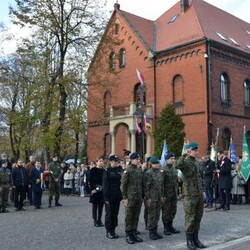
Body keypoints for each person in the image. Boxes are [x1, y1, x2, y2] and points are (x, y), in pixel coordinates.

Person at [175, 142, 206, 250]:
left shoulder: (197, 163)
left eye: (197, 150)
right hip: (189, 195)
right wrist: (184, 154)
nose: (197, 152)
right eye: (195, 150)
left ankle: (196, 239)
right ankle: (189, 241)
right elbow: (177, 165)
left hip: (199, 194)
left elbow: (200, 178)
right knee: (190, 218)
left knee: (198, 217)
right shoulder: (186, 162)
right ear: (190, 151)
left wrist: (203, 191)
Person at [120, 152, 143, 244]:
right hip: (130, 198)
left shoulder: (138, 170)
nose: (138, 161)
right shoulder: (127, 171)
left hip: (138, 197)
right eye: (136, 159)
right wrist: (125, 198)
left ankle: (134, 233)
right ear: (131, 160)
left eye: (138, 159)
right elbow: (123, 185)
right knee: (129, 216)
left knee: (136, 216)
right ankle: (128, 235)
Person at [144, 156, 164, 240]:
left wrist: (162, 196)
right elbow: (146, 187)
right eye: (156, 163)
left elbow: (161, 185)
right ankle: (151, 232)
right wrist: (148, 198)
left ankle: (155, 231)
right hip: (151, 197)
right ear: (152, 164)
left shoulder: (159, 172)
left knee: (157, 214)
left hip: (158, 197)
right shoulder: (148, 173)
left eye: (159, 162)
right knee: (152, 215)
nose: (159, 164)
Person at [103, 154, 123, 239]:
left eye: (117, 161)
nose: (116, 162)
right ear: (110, 161)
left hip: (117, 195)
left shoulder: (119, 170)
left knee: (115, 214)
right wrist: (106, 197)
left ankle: (113, 230)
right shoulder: (107, 171)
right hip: (110, 195)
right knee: (109, 214)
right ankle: (108, 231)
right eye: (115, 161)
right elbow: (105, 184)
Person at [161, 152, 180, 235]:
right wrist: (162, 195)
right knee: (166, 211)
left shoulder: (174, 169)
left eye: (174, 158)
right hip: (167, 194)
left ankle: (170, 225)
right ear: (167, 159)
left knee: (173, 210)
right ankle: (166, 227)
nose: (173, 160)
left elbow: (176, 182)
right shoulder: (164, 170)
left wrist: (178, 192)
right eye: (171, 159)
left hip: (174, 193)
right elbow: (161, 184)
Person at [89, 158, 105, 227]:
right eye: (100, 161)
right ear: (96, 162)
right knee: (95, 206)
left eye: (102, 161)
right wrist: (92, 189)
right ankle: (95, 220)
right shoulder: (93, 170)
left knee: (101, 206)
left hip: (102, 190)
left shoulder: (104, 171)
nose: (101, 162)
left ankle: (99, 220)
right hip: (95, 190)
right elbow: (90, 180)